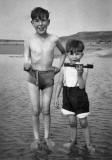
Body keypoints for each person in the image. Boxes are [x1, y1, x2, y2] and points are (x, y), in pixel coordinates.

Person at [24, 7, 66, 151]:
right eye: (36, 21)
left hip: (48, 76)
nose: (40, 24)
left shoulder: (54, 39)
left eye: (43, 20)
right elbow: (27, 56)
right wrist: (26, 63)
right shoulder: (29, 39)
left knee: (46, 110)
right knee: (36, 110)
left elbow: (63, 52)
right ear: (32, 23)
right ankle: (36, 139)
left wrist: (58, 67)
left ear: (48, 21)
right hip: (32, 76)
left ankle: (47, 138)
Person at [54, 39, 95, 153]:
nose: (74, 56)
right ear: (67, 54)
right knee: (72, 122)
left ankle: (88, 144)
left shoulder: (84, 68)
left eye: (77, 53)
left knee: (83, 122)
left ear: (82, 54)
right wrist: (56, 97)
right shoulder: (64, 67)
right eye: (71, 53)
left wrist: (79, 74)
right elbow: (60, 83)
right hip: (67, 96)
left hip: (80, 97)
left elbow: (82, 86)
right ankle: (73, 141)